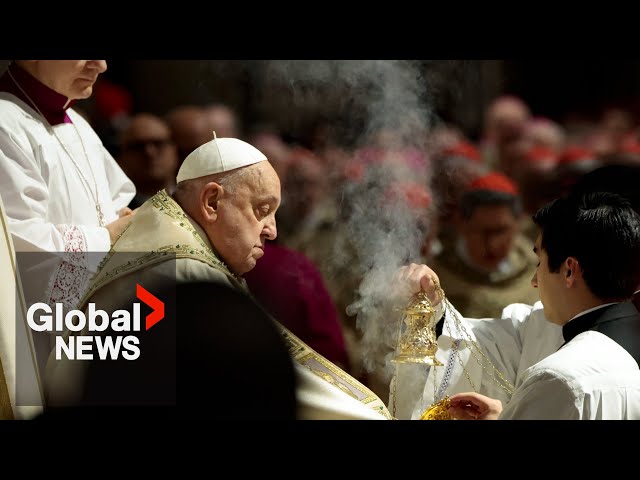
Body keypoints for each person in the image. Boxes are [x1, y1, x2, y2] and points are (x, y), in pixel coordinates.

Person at [44, 134, 391, 420]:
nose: (271, 230)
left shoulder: (163, 232)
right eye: (262, 210)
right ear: (211, 202)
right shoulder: (182, 267)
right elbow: (276, 379)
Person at [398, 192, 640, 420]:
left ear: (569, 270)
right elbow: (491, 341)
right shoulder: (621, 357)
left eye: (540, 263)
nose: (534, 282)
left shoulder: (557, 379)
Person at [0, 61, 136, 376]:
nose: (101, 65)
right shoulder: (5, 123)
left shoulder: (77, 122)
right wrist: (110, 237)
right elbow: (17, 247)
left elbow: (117, 205)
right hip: (39, 348)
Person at [117, 113, 179, 208]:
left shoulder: (198, 202)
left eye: (158, 143)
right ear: (123, 156)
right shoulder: (115, 211)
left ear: (174, 149)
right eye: (138, 146)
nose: (150, 152)